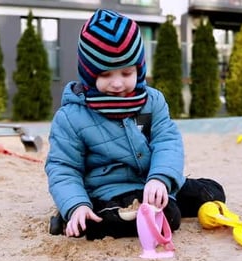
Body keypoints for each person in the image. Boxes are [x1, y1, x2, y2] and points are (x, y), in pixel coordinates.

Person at [45, 9, 226, 240]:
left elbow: (166, 141)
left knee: (212, 191)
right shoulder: (71, 117)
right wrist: (76, 204)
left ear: (139, 69)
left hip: (151, 181)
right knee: (165, 217)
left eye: (127, 72)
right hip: (108, 190)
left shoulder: (152, 101)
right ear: (89, 74)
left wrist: (160, 178)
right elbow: (63, 167)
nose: (118, 83)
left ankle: (155, 199)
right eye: (106, 75)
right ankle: (77, 217)